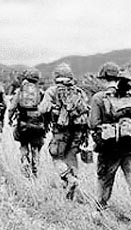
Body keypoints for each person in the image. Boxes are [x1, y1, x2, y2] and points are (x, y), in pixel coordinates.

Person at [88, 62, 131, 211]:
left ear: (103, 78)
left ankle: (100, 213)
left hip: (109, 149)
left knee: (104, 182)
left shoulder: (98, 98)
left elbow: (92, 124)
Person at [38, 63, 90, 199]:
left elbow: (42, 109)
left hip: (60, 131)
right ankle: (74, 190)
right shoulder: (79, 91)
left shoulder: (52, 91)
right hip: (79, 131)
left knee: (56, 156)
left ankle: (68, 178)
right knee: (72, 156)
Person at [7, 68, 46, 177]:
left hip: (23, 124)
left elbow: (12, 108)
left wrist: (10, 119)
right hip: (38, 124)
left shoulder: (20, 91)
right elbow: (46, 109)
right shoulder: (41, 92)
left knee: (23, 144)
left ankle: (25, 160)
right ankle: (35, 165)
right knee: (36, 146)